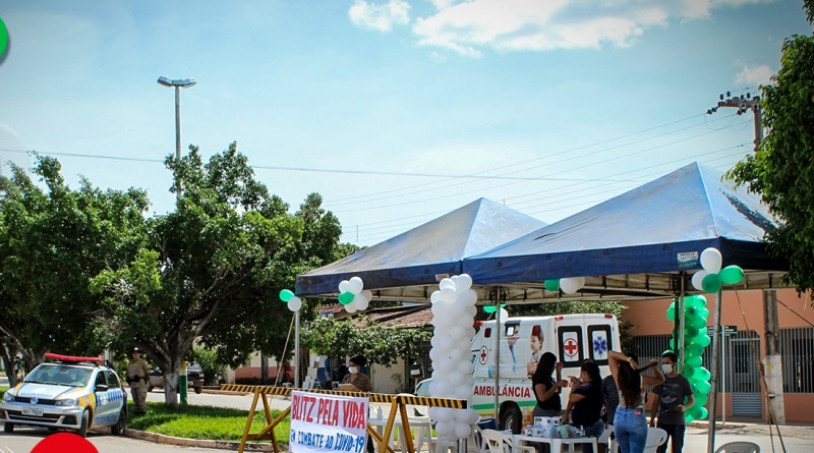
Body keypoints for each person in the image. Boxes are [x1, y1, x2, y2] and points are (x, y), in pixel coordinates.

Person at [608, 351, 664, 453]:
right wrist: (654, 367)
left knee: (624, 450)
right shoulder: (643, 379)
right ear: (636, 364)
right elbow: (661, 379)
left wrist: (628, 360)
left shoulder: (619, 378)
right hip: (636, 416)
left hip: (619, 417)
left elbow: (610, 354)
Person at [650, 352, 694, 453]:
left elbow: (692, 400)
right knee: (660, 449)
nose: (665, 366)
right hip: (662, 421)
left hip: (678, 422)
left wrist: (684, 407)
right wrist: (652, 419)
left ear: (674, 364)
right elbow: (655, 402)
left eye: (667, 363)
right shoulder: (660, 380)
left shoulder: (682, 380)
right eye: (663, 363)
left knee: (677, 450)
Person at [563, 361, 604, 453]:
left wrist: (575, 386)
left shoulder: (588, 387)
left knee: (588, 449)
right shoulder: (597, 384)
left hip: (588, 425)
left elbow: (572, 398)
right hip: (594, 422)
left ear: (585, 373)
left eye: (581, 373)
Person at [531, 352, 567, 453]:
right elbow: (542, 397)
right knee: (546, 445)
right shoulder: (539, 377)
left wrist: (558, 372)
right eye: (553, 364)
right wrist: (556, 385)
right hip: (544, 413)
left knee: (554, 445)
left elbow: (558, 391)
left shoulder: (548, 377)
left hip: (553, 413)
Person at [341, 356, 374, 453]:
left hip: (361, 407)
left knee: (364, 428)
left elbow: (369, 392)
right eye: (350, 365)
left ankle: (370, 449)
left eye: (353, 365)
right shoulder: (346, 377)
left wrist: (357, 390)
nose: (351, 367)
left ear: (359, 366)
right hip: (347, 406)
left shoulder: (364, 379)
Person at [599, 372, 620, 453]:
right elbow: (601, 397)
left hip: (629, 421)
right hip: (612, 419)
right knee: (614, 443)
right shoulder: (607, 381)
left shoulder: (634, 379)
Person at [127, 347, 151, 415]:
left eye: (137, 353)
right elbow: (128, 372)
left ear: (139, 354)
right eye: (134, 353)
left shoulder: (143, 362)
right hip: (133, 383)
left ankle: (142, 413)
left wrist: (145, 380)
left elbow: (147, 372)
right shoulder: (130, 362)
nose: (135, 355)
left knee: (141, 399)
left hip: (140, 383)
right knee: (135, 399)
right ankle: (136, 412)